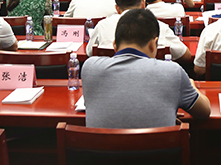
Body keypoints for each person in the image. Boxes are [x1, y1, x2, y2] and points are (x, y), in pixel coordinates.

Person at [81, 8, 210, 128]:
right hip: (159, 146)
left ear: (114, 45)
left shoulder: (90, 68)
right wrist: (191, 85)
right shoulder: (172, 72)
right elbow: (204, 112)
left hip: (102, 146)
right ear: (153, 44)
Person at [86, 0, 189, 61]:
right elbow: (185, 55)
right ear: (143, 4)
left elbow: (89, 52)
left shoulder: (102, 26)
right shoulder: (159, 27)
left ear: (117, 8)